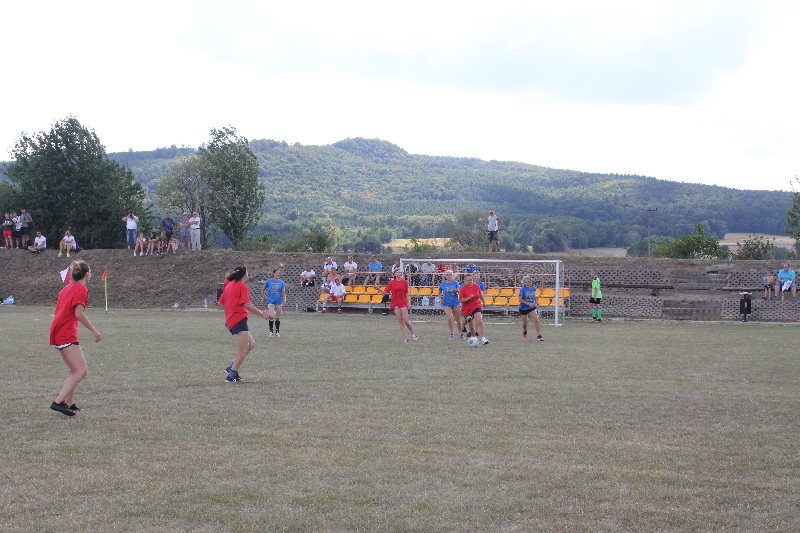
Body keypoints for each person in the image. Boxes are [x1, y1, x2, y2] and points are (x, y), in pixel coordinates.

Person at [48, 260, 102, 416]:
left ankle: (68, 403)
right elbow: (78, 314)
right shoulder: (81, 289)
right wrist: (94, 331)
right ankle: (58, 402)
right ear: (87, 274)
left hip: (58, 331)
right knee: (80, 371)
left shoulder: (66, 289)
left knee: (74, 370)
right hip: (65, 334)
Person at [218, 266, 269, 383]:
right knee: (244, 349)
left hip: (234, 319)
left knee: (251, 344)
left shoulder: (229, 284)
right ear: (244, 275)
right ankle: (231, 376)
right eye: (247, 273)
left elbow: (222, 302)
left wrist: (228, 315)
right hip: (238, 319)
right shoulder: (242, 286)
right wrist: (262, 315)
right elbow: (247, 304)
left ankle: (231, 367)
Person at [381, 269, 418, 342]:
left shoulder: (404, 282)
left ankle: (413, 333)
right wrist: (377, 289)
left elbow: (407, 293)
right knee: (400, 321)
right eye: (397, 272)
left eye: (400, 272)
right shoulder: (391, 282)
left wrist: (408, 302)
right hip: (395, 303)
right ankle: (406, 337)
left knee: (406, 320)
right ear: (394, 274)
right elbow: (385, 293)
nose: (399, 273)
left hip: (403, 302)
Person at [459, 273, 489, 345]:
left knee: (479, 320)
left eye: (470, 280)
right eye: (467, 280)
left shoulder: (477, 286)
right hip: (467, 309)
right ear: (465, 281)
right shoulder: (462, 289)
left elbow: (480, 295)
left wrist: (483, 302)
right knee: (471, 327)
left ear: (472, 280)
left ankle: (483, 338)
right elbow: (461, 300)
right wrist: (469, 298)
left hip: (476, 306)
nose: (469, 281)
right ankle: (474, 338)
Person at [439, 269, 463, 340]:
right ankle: (451, 333)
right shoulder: (442, 284)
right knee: (450, 318)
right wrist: (440, 299)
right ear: (445, 276)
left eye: (450, 275)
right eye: (447, 275)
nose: (449, 276)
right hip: (446, 304)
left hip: (455, 303)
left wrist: (458, 291)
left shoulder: (456, 283)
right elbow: (439, 293)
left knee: (458, 320)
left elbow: (460, 292)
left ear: (452, 276)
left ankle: (460, 333)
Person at [262, 268, 287, 337]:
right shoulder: (269, 281)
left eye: (279, 273)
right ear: (273, 274)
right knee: (271, 316)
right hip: (271, 301)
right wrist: (263, 298)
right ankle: (271, 332)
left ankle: (277, 332)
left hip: (278, 301)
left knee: (277, 317)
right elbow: (263, 289)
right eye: (277, 273)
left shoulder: (281, 282)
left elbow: (283, 293)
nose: (278, 274)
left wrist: (285, 300)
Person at [518, 276, 544, 341]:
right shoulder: (522, 289)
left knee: (536, 320)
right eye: (526, 282)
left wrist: (536, 302)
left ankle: (539, 336)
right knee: (525, 324)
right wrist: (528, 303)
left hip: (531, 307)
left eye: (529, 282)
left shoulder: (533, 288)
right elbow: (520, 299)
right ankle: (525, 331)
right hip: (523, 308)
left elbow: (533, 296)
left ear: (531, 282)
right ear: (524, 283)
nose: (527, 283)